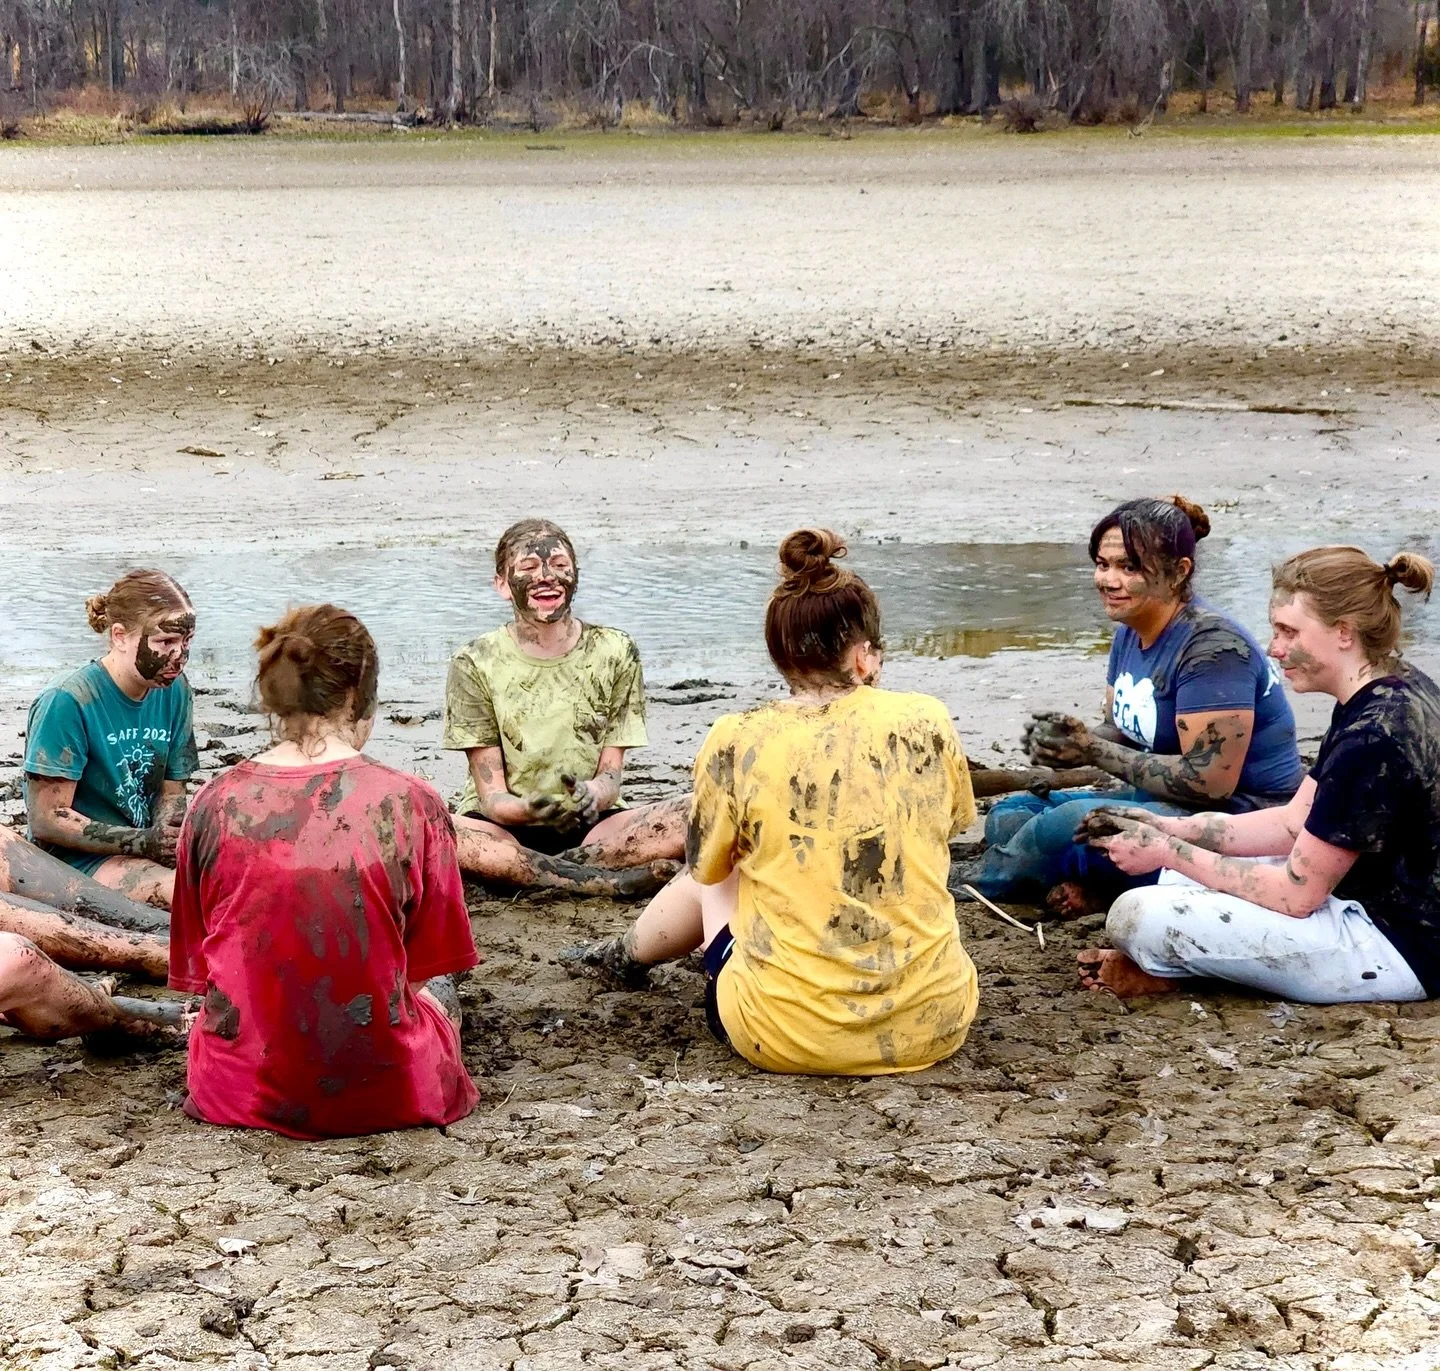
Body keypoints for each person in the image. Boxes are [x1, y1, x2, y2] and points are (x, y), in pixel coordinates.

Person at [565, 529, 980, 1076]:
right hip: (935, 1023)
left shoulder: (738, 736)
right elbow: (949, 826)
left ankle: (625, 956)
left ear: (778, 654)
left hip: (784, 1035)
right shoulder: (927, 718)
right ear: (864, 656)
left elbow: (706, 868)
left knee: (722, 870)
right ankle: (624, 955)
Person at [170, 604, 480, 1139]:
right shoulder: (412, 803)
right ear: (359, 696)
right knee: (439, 994)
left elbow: (201, 972)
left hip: (238, 1093)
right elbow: (429, 963)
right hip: (393, 1092)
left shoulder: (213, 804)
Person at [1078, 546, 1437, 1004]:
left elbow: (1296, 896)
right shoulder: (1389, 687)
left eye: (1289, 632)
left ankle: (1187, 976)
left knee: (1138, 915)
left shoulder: (1373, 736)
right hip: (1370, 896)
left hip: (1399, 945)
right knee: (1175, 881)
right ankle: (1192, 965)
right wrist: (1170, 828)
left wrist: (1169, 851)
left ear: (1343, 632)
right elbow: (1292, 823)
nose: (1274, 648)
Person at [966, 496, 1303, 913]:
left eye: (1129, 567)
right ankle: (1090, 886)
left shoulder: (1213, 651)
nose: (1108, 580)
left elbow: (1210, 782)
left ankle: (973, 886)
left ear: (1179, 572)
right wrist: (1075, 742)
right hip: (1165, 804)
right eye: (1102, 564)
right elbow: (1126, 731)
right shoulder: (1131, 627)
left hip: (1236, 824)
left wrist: (1094, 749)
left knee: (1059, 825)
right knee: (1011, 815)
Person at [443, 518, 683, 897]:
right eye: (527, 568)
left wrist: (592, 794)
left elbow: (611, 776)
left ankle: (541, 873)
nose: (546, 577)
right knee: (431, 830)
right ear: (503, 583)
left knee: (693, 813)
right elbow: (492, 798)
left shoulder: (615, 650)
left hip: (593, 828)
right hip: (503, 829)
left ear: (575, 575)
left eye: (558, 565)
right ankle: (594, 878)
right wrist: (530, 811)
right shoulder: (475, 660)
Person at [24, 569, 199, 909]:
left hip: (141, 845)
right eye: (166, 643)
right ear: (119, 636)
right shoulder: (68, 700)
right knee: (186, 894)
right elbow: (47, 819)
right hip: (70, 863)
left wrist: (167, 837)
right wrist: (143, 842)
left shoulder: (175, 691)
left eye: (186, 643)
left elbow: (173, 788)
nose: (179, 657)